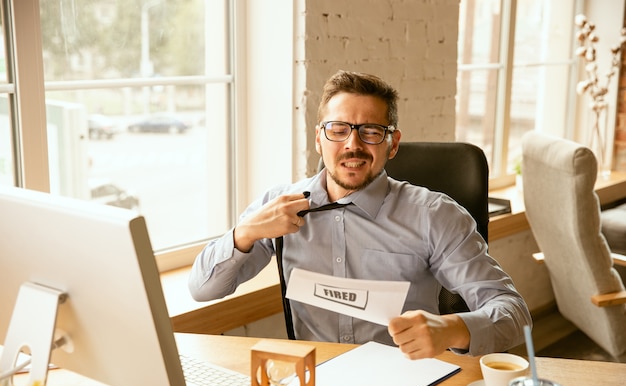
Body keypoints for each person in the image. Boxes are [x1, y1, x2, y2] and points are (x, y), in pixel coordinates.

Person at [189, 70, 531, 359]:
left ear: (392, 143)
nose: (353, 145)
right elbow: (202, 289)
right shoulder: (278, 205)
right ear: (319, 140)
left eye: (370, 131)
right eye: (338, 130)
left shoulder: (435, 216)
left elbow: (514, 314)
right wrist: (245, 233)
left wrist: (453, 329)